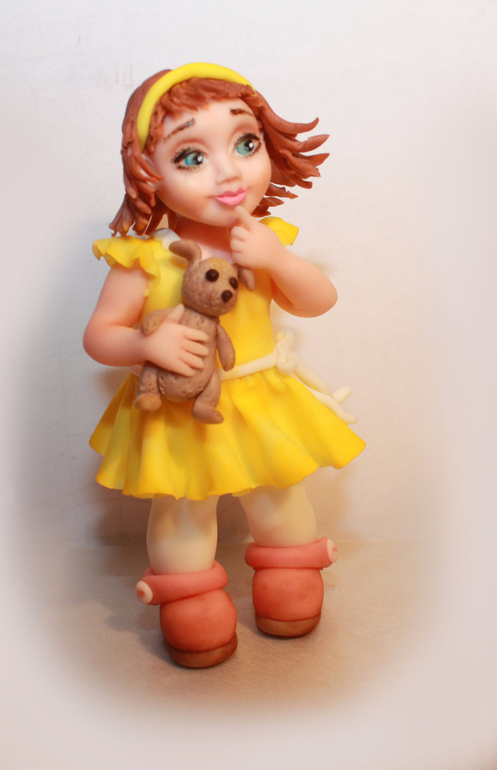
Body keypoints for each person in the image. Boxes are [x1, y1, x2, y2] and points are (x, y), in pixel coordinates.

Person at [83, 63, 365, 667]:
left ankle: (289, 573)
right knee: (183, 507)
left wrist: (278, 260)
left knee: (279, 494)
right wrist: (145, 347)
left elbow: (318, 301)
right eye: (191, 157)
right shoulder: (145, 260)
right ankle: (190, 596)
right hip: (180, 409)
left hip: (259, 396)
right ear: (146, 172)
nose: (230, 172)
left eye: (245, 144)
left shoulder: (263, 240)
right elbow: (101, 336)